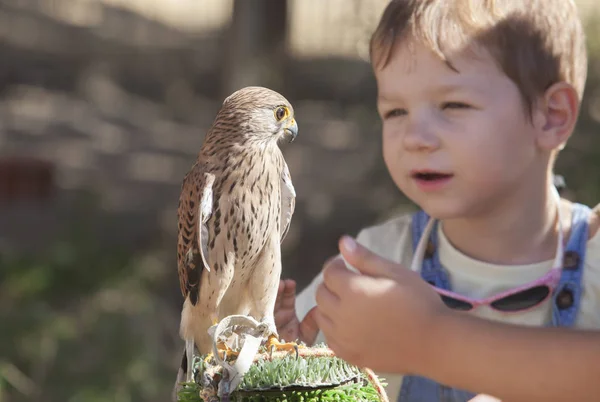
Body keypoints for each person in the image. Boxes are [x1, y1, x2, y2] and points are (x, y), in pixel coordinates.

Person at [274, 0, 600, 401]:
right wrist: (282, 361)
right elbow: (296, 369)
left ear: (552, 116)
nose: (415, 137)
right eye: (395, 112)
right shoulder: (376, 263)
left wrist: (428, 341)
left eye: (453, 105)